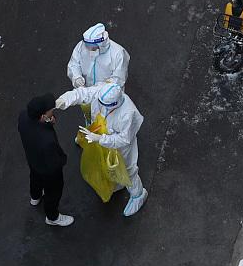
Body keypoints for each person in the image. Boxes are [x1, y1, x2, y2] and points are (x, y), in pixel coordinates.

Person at [56, 82, 148, 216]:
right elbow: (84, 93)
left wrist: (100, 139)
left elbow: (123, 139)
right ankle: (117, 182)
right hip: (104, 136)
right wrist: (65, 99)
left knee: (128, 169)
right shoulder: (103, 92)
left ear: (113, 105)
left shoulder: (127, 113)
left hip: (123, 147)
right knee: (108, 165)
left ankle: (138, 194)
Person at [18, 94, 73, 227]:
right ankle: (52, 217)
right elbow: (55, 162)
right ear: (42, 116)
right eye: (50, 110)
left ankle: (35, 197)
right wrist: (62, 160)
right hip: (48, 168)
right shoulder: (47, 140)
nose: (52, 111)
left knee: (35, 177)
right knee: (53, 191)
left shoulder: (23, 116)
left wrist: (49, 120)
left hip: (33, 159)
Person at [66, 22, 130, 89]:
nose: (89, 50)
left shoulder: (118, 53)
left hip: (107, 95)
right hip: (85, 92)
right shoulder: (81, 47)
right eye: (87, 46)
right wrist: (77, 77)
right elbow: (74, 64)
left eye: (93, 47)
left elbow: (119, 77)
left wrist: (104, 87)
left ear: (101, 44)